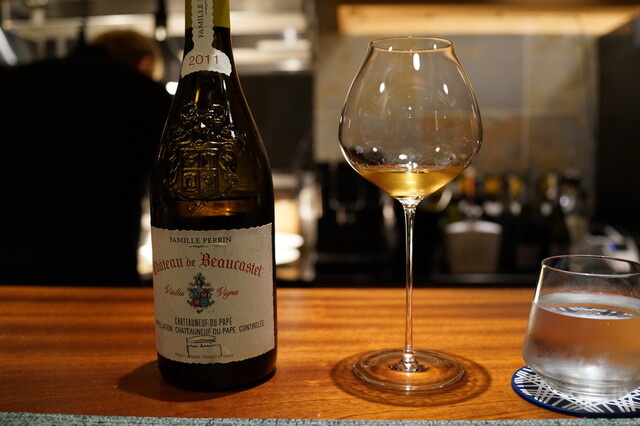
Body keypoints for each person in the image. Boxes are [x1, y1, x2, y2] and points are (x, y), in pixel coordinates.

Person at [0, 29, 172, 285]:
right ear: (143, 63)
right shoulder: (145, 93)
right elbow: (173, 188)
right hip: (101, 269)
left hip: (10, 268)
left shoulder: (16, 82)